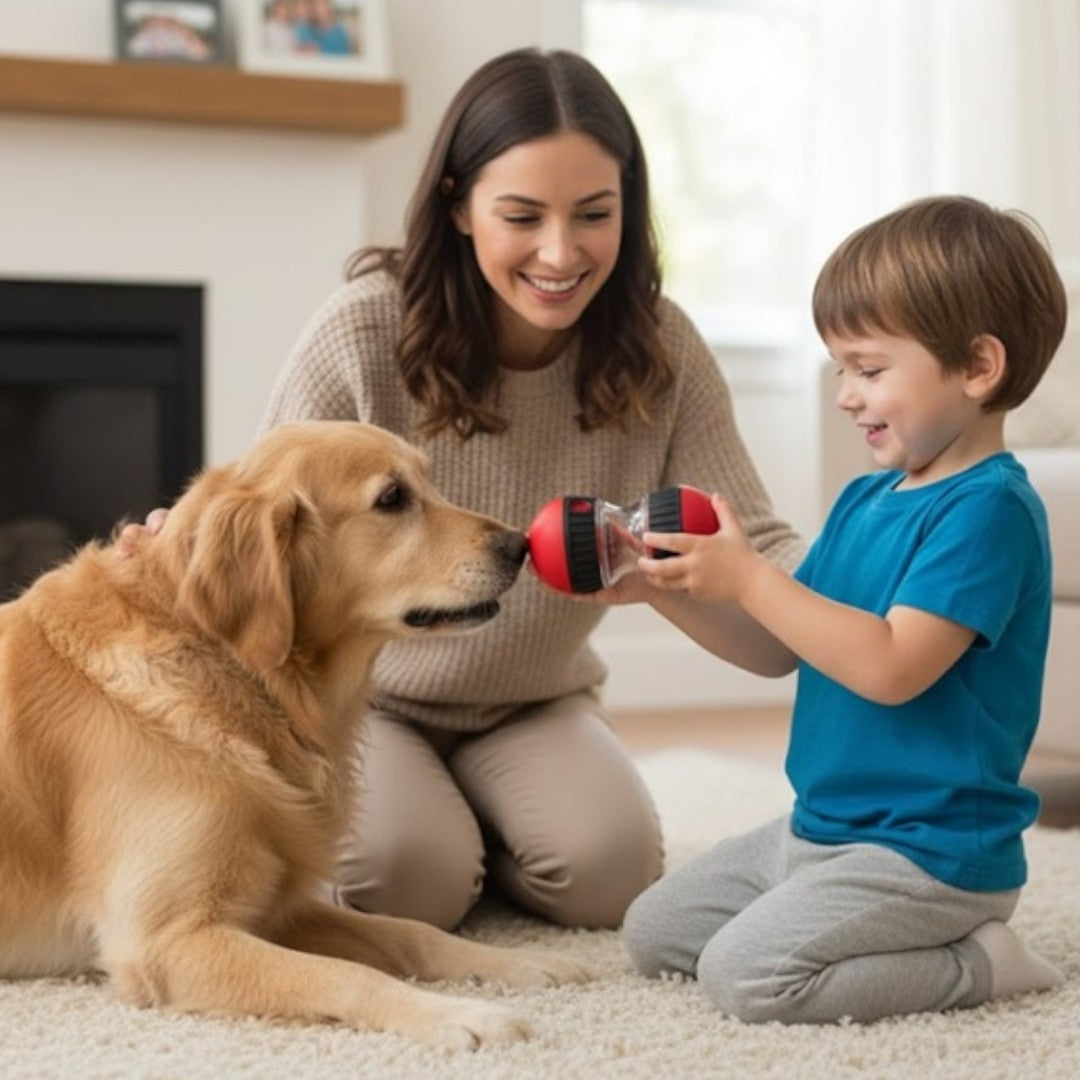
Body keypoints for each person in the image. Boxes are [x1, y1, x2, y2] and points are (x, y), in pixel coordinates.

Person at [131, 48, 802, 932]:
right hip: (371, 702)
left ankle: (484, 827)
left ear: (628, 213)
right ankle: (451, 839)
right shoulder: (362, 331)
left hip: (536, 698)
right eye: (521, 216)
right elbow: (269, 523)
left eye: (594, 215)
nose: (561, 253)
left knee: (611, 878)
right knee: (403, 884)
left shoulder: (662, 353)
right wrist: (173, 560)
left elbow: (763, 562)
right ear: (457, 206)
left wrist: (870, 585)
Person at [620, 195, 1068, 1023]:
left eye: (868, 369)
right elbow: (776, 647)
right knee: (655, 932)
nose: (845, 396)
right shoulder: (867, 501)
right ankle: (859, 927)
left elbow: (891, 667)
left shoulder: (989, 512)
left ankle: (978, 961)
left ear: (977, 367)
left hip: (928, 853)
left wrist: (754, 575)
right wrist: (665, 589)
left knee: (745, 978)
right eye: (839, 370)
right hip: (820, 831)